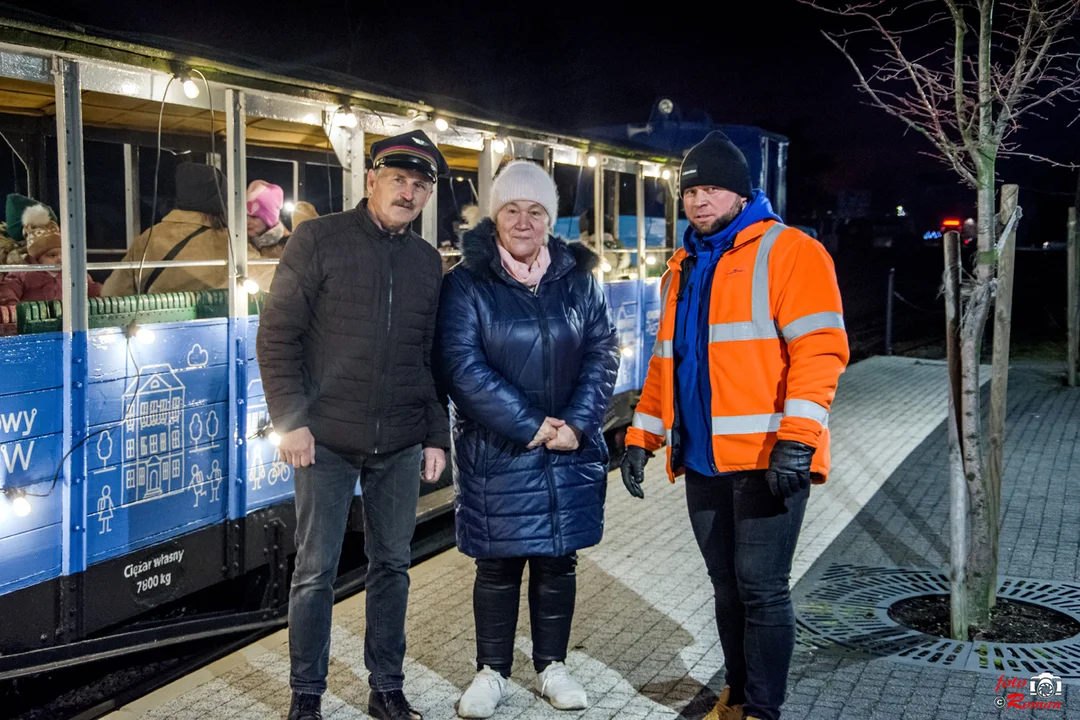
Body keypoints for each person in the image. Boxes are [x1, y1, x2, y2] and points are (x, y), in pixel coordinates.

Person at [620, 131, 848, 720]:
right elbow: (665, 363)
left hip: (768, 457)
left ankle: (763, 710)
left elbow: (820, 351)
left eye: (712, 188)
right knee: (726, 584)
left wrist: (798, 441)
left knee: (762, 587)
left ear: (742, 194)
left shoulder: (790, 251)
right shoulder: (681, 266)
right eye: (690, 190)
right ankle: (739, 693)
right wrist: (643, 435)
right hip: (701, 456)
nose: (698, 200)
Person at [257, 130, 451, 720]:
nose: (409, 191)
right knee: (314, 571)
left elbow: (429, 358)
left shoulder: (426, 261)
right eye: (399, 180)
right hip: (325, 442)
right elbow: (277, 335)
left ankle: (385, 687)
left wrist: (435, 434)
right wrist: (289, 422)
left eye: (420, 185)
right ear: (371, 180)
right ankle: (307, 697)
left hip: (397, 442)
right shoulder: (319, 239)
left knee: (392, 565)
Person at [435, 161, 619, 718]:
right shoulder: (466, 284)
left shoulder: (578, 281)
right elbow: (460, 368)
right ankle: (491, 672)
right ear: (495, 217)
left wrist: (577, 423)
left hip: (567, 445)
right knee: (497, 565)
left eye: (534, 211)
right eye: (511, 209)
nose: (522, 220)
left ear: (549, 219)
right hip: (500, 451)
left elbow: (602, 351)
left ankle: (552, 666)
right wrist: (533, 425)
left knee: (558, 561)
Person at [101, 164, 279, 296]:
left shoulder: (148, 237)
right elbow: (275, 283)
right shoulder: (228, 243)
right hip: (212, 338)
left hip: (151, 336)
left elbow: (112, 293)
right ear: (221, 199)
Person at [0, 202, 102, 304]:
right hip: (35, 318)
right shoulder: (23, 273)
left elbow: (90, 287)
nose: (60, 258)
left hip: (66, 318)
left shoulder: (75, 273)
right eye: (52, 255)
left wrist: (101, 293)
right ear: (36, 258)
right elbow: (9, 289)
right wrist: (12, 306)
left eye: (63, 254)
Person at [247, 180, 289, 255]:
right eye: (245, 215)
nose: (247, 221)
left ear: (269, 220)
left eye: (254, 217)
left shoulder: (288, 247)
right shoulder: (241, 243)